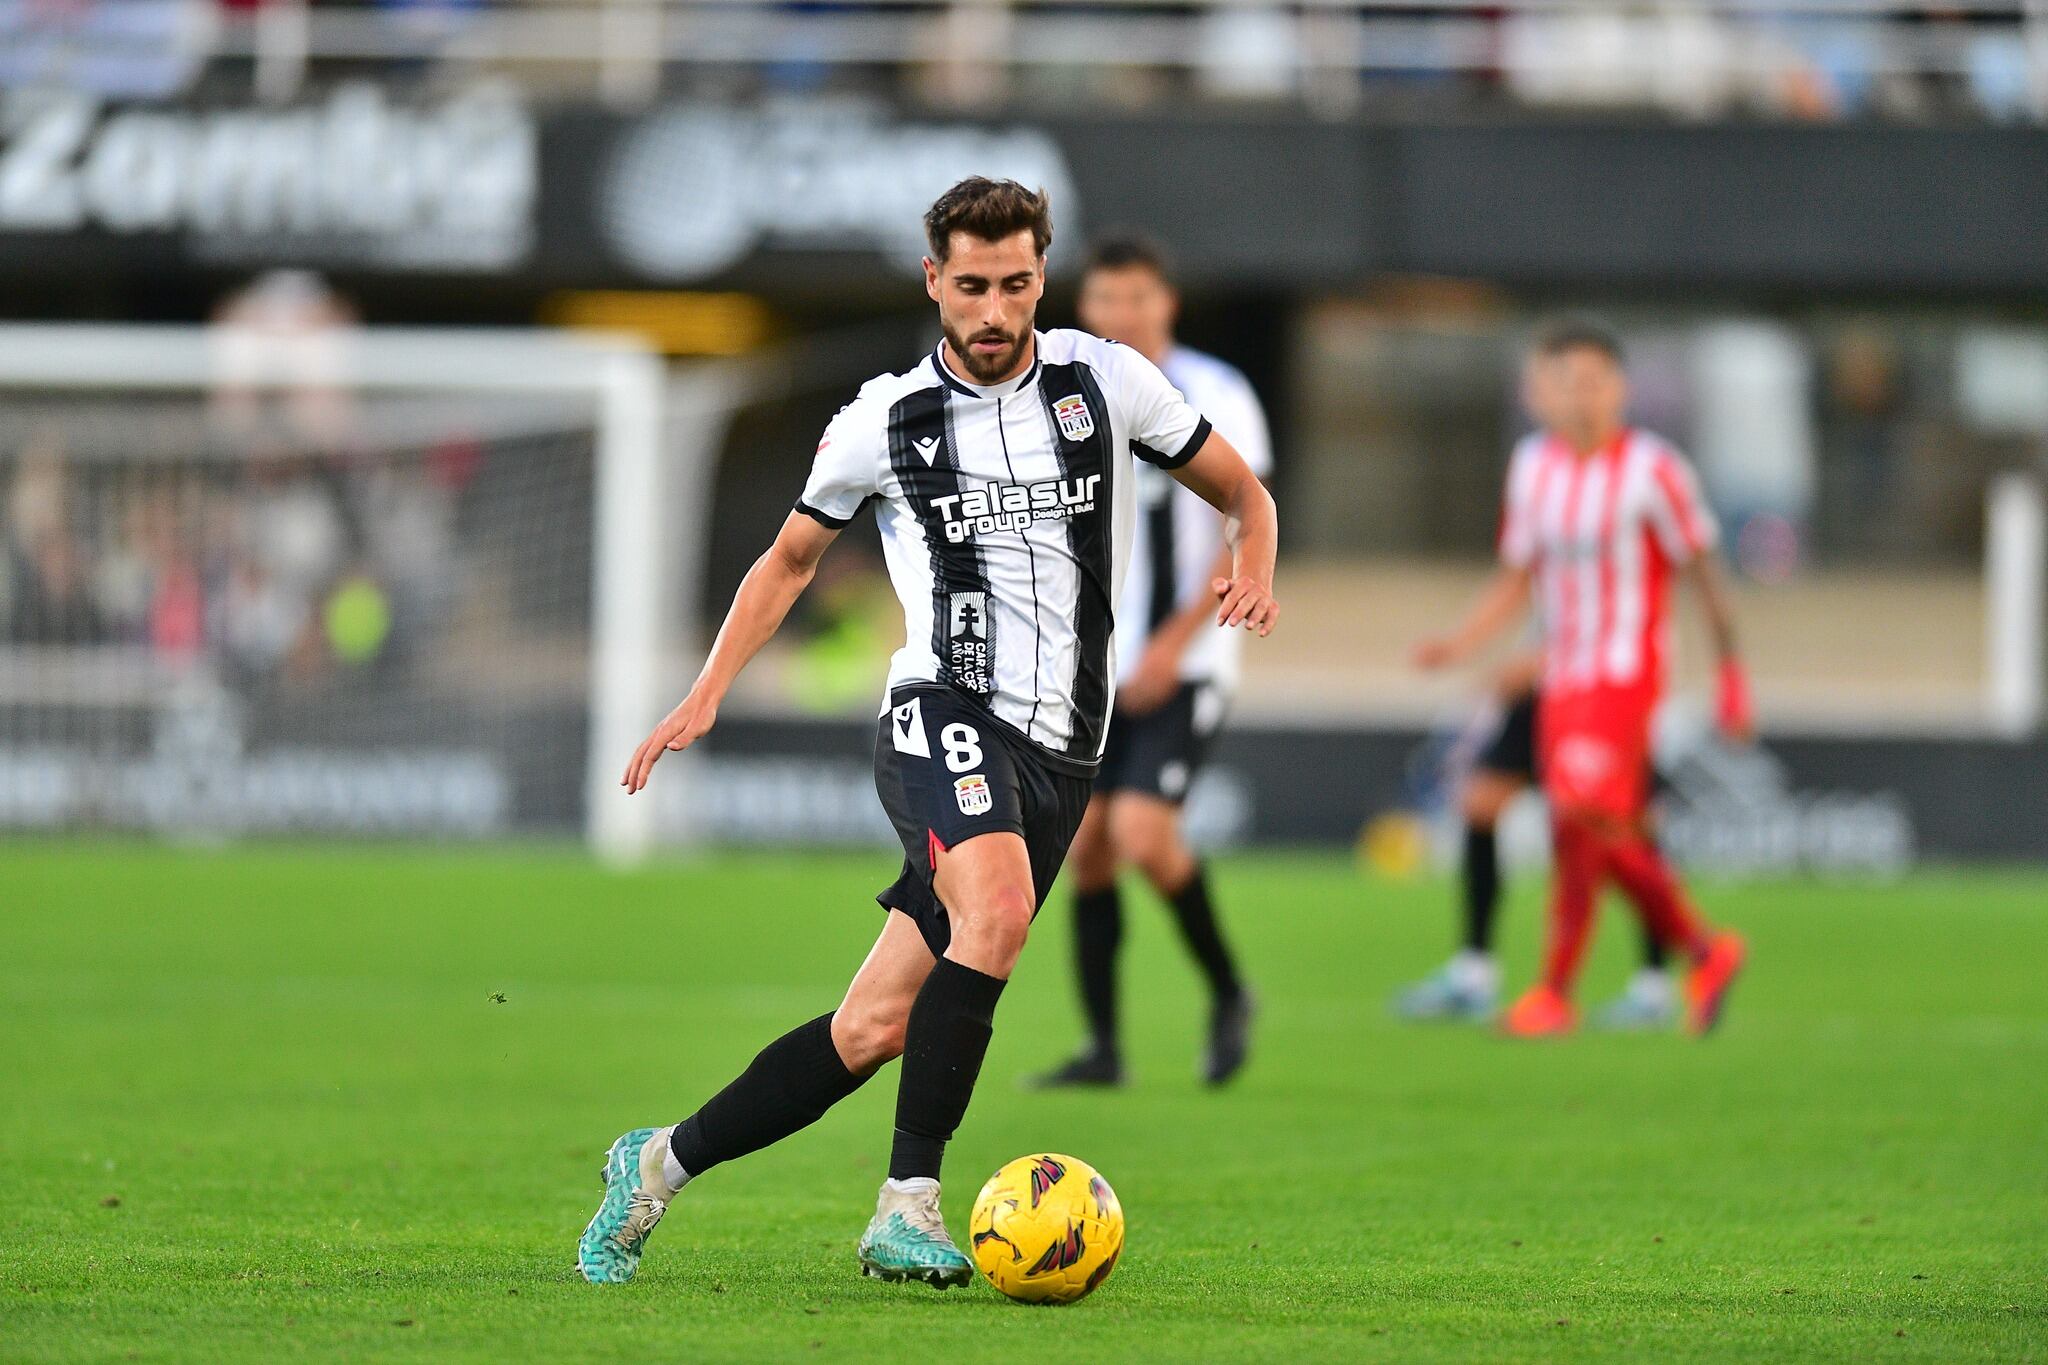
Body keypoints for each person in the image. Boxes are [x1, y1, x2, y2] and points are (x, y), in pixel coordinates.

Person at [577, 179, 1280, 1288]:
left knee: (872, 1027)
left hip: (1064, 755)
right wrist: (707, 688)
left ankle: (655, 1162)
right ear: (932, 282)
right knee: (993, 914)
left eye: (1012, 286)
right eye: (969, 288)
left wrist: (1254, 569)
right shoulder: (882, 419)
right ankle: (906, 1208)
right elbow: (787, 560)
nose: (992, 312)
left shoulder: (1106, 382)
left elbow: (1244, 496)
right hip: (940, 713)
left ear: (1040, 277)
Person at [1413, 317, 1751, 1039]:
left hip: (1626, 672)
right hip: (1562, 674)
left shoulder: (1655, 469)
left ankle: (1700, 948)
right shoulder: (1533, 465)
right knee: (1580, 828)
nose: (1580, 396)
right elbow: (1519, 574)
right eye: (1566, 382)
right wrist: (1462, 640)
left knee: (1579, 805)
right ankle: (1559, 992)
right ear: (1544, 392)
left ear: (1621, 389)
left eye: (1594, 381)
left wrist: (1731, 677)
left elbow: (1705, 576)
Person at [1031, 235, 1270, 1088]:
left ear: (1166, 303)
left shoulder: (1216, 393)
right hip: (1094, 667)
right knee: (1087, 848)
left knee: (1139, 830)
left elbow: (1241, 518)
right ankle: (1104, 1049)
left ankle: (1229, 987)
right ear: (1085, 308)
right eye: (1105, 299)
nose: (1121, 315)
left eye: (1138, 297)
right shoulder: (1063, 392)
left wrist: (1173, 646)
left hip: (1190, 661)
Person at [1392, 655, 1678, 1029]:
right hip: (1544, 699)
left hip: (1595, 703)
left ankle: (1655, 986)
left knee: (1628, 828)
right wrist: (1459, 645)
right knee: (1480, 806)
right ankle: (1474, 973)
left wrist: (1540, 664)